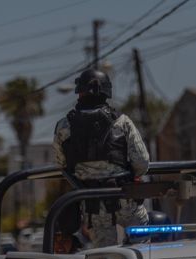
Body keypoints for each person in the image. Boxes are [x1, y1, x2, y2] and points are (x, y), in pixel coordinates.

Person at [53, 68, 150, 247]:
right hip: (125, 199)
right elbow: (142, 163)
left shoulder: (63, 126)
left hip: (93, 205)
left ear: (79, 91)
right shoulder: (122, 121)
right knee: (141, 248)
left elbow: (62, 164)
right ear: (107, 91)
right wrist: (130, 173)